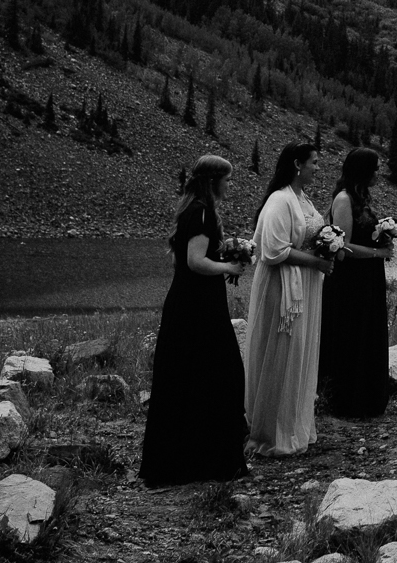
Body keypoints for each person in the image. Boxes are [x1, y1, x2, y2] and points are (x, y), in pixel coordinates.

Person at [139, 154, 248, 486]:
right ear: (213, 181)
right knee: (221, 374)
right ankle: (208, 461)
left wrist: (226, 252)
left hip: (190, 305)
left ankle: (186, 460)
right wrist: (229, 267)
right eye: (227, 179)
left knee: (190, 378)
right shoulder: (201, 212)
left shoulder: (195, 209)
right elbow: (195, 261)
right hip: (198, 308)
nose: (231, 185)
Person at [243, 141, 337, 454]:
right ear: (297, 164)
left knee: (299, 352)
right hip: (282, 288)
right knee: (281, 353)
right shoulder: (279, 200)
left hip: (304, 286)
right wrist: (318, 261)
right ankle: (272, 431)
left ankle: (294, 423)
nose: (317, 168)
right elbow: (273, 251)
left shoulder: (303, 199)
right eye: (314, 162)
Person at [320, 147, 397, 419]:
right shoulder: (343, 199)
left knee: (367, 333)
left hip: (367, 278)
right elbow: (344, 247)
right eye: (375, 168)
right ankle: (348, 400)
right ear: (363, 170)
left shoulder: (360, 195)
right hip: (350, 281)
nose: (379, 173)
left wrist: (383, 236)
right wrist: (378, 252)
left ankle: (368, 397)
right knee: (352, 335)